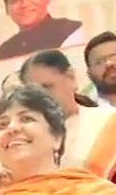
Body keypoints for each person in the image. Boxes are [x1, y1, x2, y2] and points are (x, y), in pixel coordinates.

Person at [20, 49, 116, 179]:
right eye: (34, 94)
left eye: (47, 87)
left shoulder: (108, 120)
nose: (42, 98)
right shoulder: (27, 139)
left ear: (71, 77)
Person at [85, 31, 116, 108]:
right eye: (99, 61)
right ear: (89, 73)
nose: (109, 63)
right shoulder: (85, 114)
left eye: (114, 56)